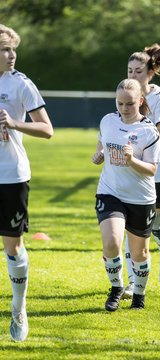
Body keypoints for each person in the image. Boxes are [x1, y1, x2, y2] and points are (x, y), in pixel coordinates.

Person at [0, 24, 53, 342]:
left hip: (11, 176)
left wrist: (13, 121)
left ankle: (19, 308)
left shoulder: (21, 84)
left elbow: (47, 129)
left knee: (13, 247)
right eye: (5, 49)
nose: (11, 54)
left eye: (12, 49)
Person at [92, 78, 160, 311]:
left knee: (139, 253)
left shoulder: (149, 132)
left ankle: (139, 295)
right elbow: (102, 141)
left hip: (141, 198)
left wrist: (132, 160)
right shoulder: (108, 121)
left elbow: (152, 170)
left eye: (129, 104)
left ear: (140, 101)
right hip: (110, 192)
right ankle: (116, 287)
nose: (124, 109)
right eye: (120, 103)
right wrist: (99, 153)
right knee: (111, 242)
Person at [122, 43, 160, 298]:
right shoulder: (126, 95)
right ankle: (133, 282)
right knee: (131, 227)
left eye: (137, 71)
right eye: (129, 71)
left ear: (150, 72)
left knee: (156, 228)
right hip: (133, 171)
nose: (132, 76)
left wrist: (138, 143)